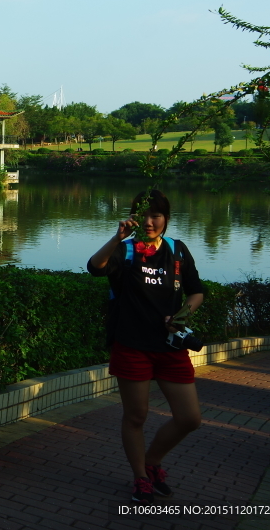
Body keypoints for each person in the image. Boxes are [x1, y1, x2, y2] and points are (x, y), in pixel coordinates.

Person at [87, 189, 205, 504]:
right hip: (132, 345)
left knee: (189, 418)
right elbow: (94, 267)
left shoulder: (177, 251)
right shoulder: (125, 251)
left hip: (170, 347)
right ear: (134, 217)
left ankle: (152, 462)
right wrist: (116, 237)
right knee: (136, 416)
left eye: (157, 215)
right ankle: (140, 476)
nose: (150, 222)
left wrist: (180, 316)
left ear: (166, 218)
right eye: (144, 215)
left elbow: (196, 292)